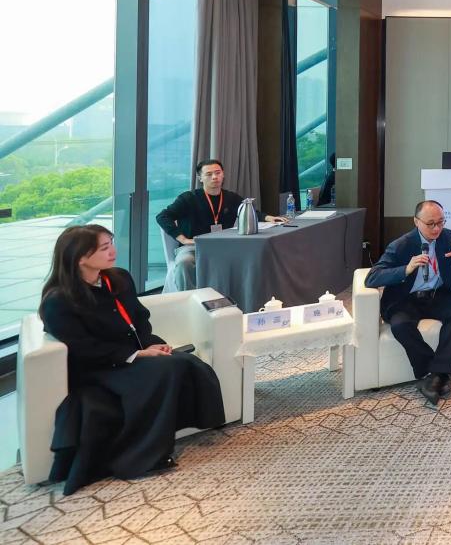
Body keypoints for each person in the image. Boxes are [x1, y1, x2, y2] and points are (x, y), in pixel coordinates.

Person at [38, 225, 226, 495]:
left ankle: (192, 425)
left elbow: (139, 319)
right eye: (104, 248)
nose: (112, 251)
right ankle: (143, 457)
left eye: (111, 243)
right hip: (98, 367)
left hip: (132, 353)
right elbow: (83, 348)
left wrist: (148, 344)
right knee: (166, 370)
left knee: (185, 362)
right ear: (80, 257)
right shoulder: (59, 300)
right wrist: (135, 355)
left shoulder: (119, 279)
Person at [365, 200, 451, 407]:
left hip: (438, 294)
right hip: (406, 299)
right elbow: (372, 278)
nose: (437, 229)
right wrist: (405, 269)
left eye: (441, 222)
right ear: (416, 222)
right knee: (400, 325)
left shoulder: (447, 237)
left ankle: (438, 374)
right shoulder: (401, 245)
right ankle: (434, 373)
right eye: (431, 224)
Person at [155, 159, 284, 292]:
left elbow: (249, 211)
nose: (214, 177)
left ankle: (240, 296)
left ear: (223, 174)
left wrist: (269, 218)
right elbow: (162, 216)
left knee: (252, 255)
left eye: (218, 173)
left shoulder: (231, 197)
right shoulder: (188, 198)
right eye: (209, 174)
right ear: (200, 178)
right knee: (185, 262)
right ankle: (190, 298)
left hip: (222, 245)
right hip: (195, 247)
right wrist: (183, 239)